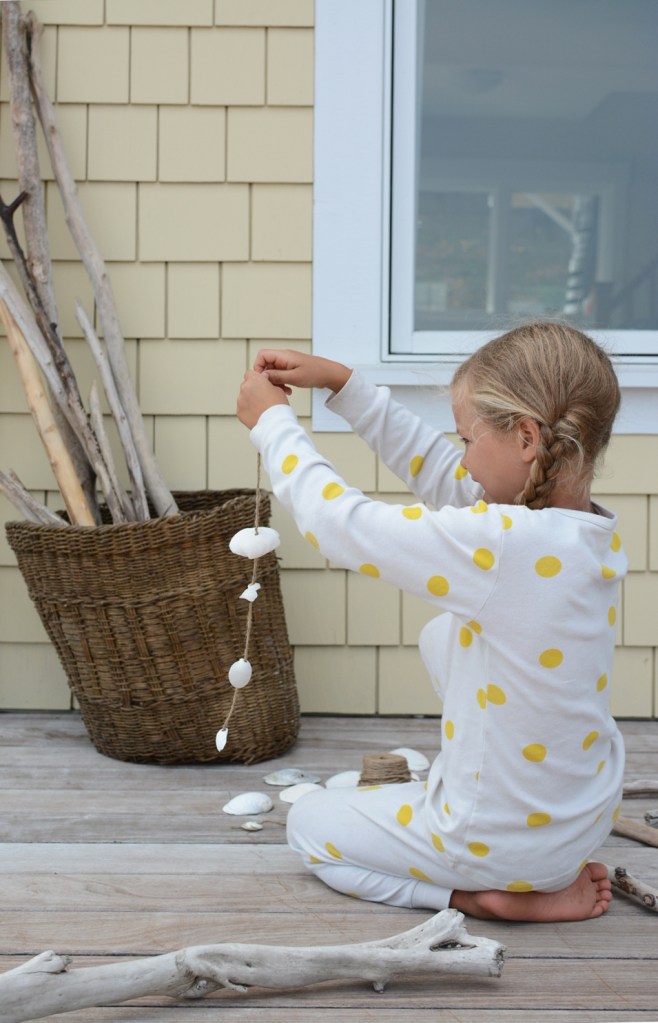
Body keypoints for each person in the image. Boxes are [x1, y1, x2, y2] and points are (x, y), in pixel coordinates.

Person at [236, 321, 627, 922]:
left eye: (467, 437)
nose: (463, 456)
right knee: (443, 632)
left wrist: (274, 426)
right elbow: (449, 479)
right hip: (582, 822)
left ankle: (475, 895)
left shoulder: (501, 546)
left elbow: (343, 528)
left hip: (495, 844)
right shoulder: (579, 532)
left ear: (527, 437)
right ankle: (511, 840)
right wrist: (344, 384)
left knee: (310, 824)